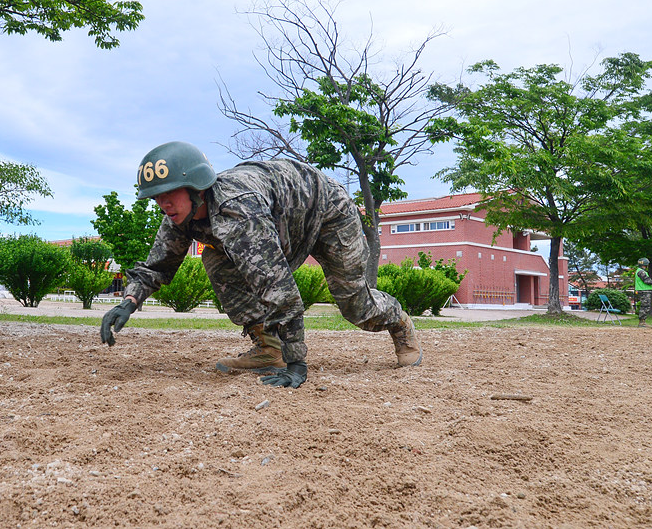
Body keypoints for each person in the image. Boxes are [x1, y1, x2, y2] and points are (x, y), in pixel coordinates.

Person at [99, 141, 421, 389]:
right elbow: (159, 265)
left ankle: (399, 325)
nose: (163, 203)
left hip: (328, 213)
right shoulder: (178, 217)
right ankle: (269, 348)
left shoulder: (238, 212)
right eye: (156, 197)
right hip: (283, 220)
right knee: (216, 257)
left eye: (169, 193)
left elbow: (280, 290)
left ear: (196, 186)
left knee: (354, 304)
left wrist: (297, 365)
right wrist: (128, 302)